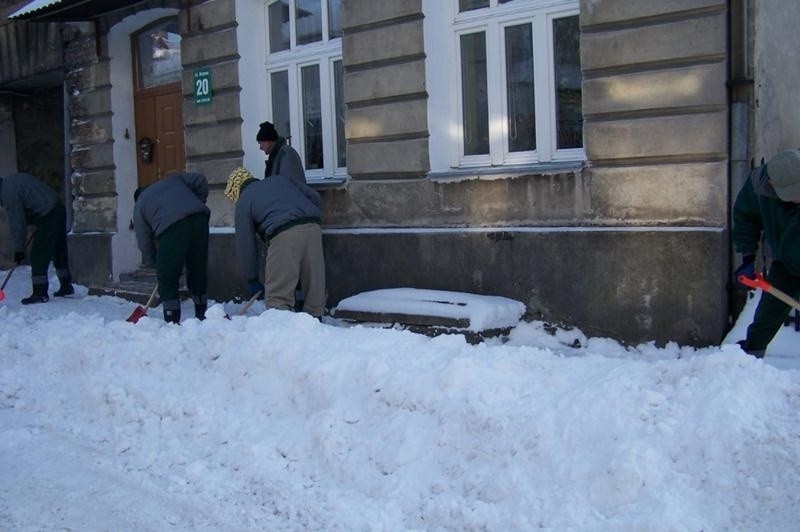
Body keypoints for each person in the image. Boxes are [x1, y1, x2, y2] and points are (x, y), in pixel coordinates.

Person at [224, 167, 326, 318]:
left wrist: (252, 278)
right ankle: (316, 320)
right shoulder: (282, 179)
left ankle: (281, 330)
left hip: (283, 234)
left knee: (278, 295)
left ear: (236, 191)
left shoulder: (244, 200)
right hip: (313, 227)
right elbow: (315, 197)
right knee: (314, 284)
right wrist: (309, 216)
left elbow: (246, 245)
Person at [732, 148, 800, 358]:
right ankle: (751, 354)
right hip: (786, 262)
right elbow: (745, 219)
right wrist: (748, 258)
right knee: (770, 310)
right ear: (773, 185)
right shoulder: (757, 189)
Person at [133, 172, 211, 323]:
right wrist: (198, 202)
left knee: (167, 277)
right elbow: (201, 179)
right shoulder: (173, 180)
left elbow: (143, 240)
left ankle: (172, 321)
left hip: (172, 228)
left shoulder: (140, 203)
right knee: (197, 268)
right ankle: (202, 315)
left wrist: (154, 264)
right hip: (200, 219)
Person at [0, 172, 74, 304]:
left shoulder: (7, 193)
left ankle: (40, 293)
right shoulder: (11, 181)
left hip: (48, 214)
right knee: (58, 250)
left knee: (38, 253)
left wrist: (19, 251)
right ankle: (66, 285)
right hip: (56, 208)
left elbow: (18, 224)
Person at [257, 121, 306, 186]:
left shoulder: (286, 154)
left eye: (260, 143)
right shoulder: (277, 155)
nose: (260, 147)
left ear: (268, 141)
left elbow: (289, 185)